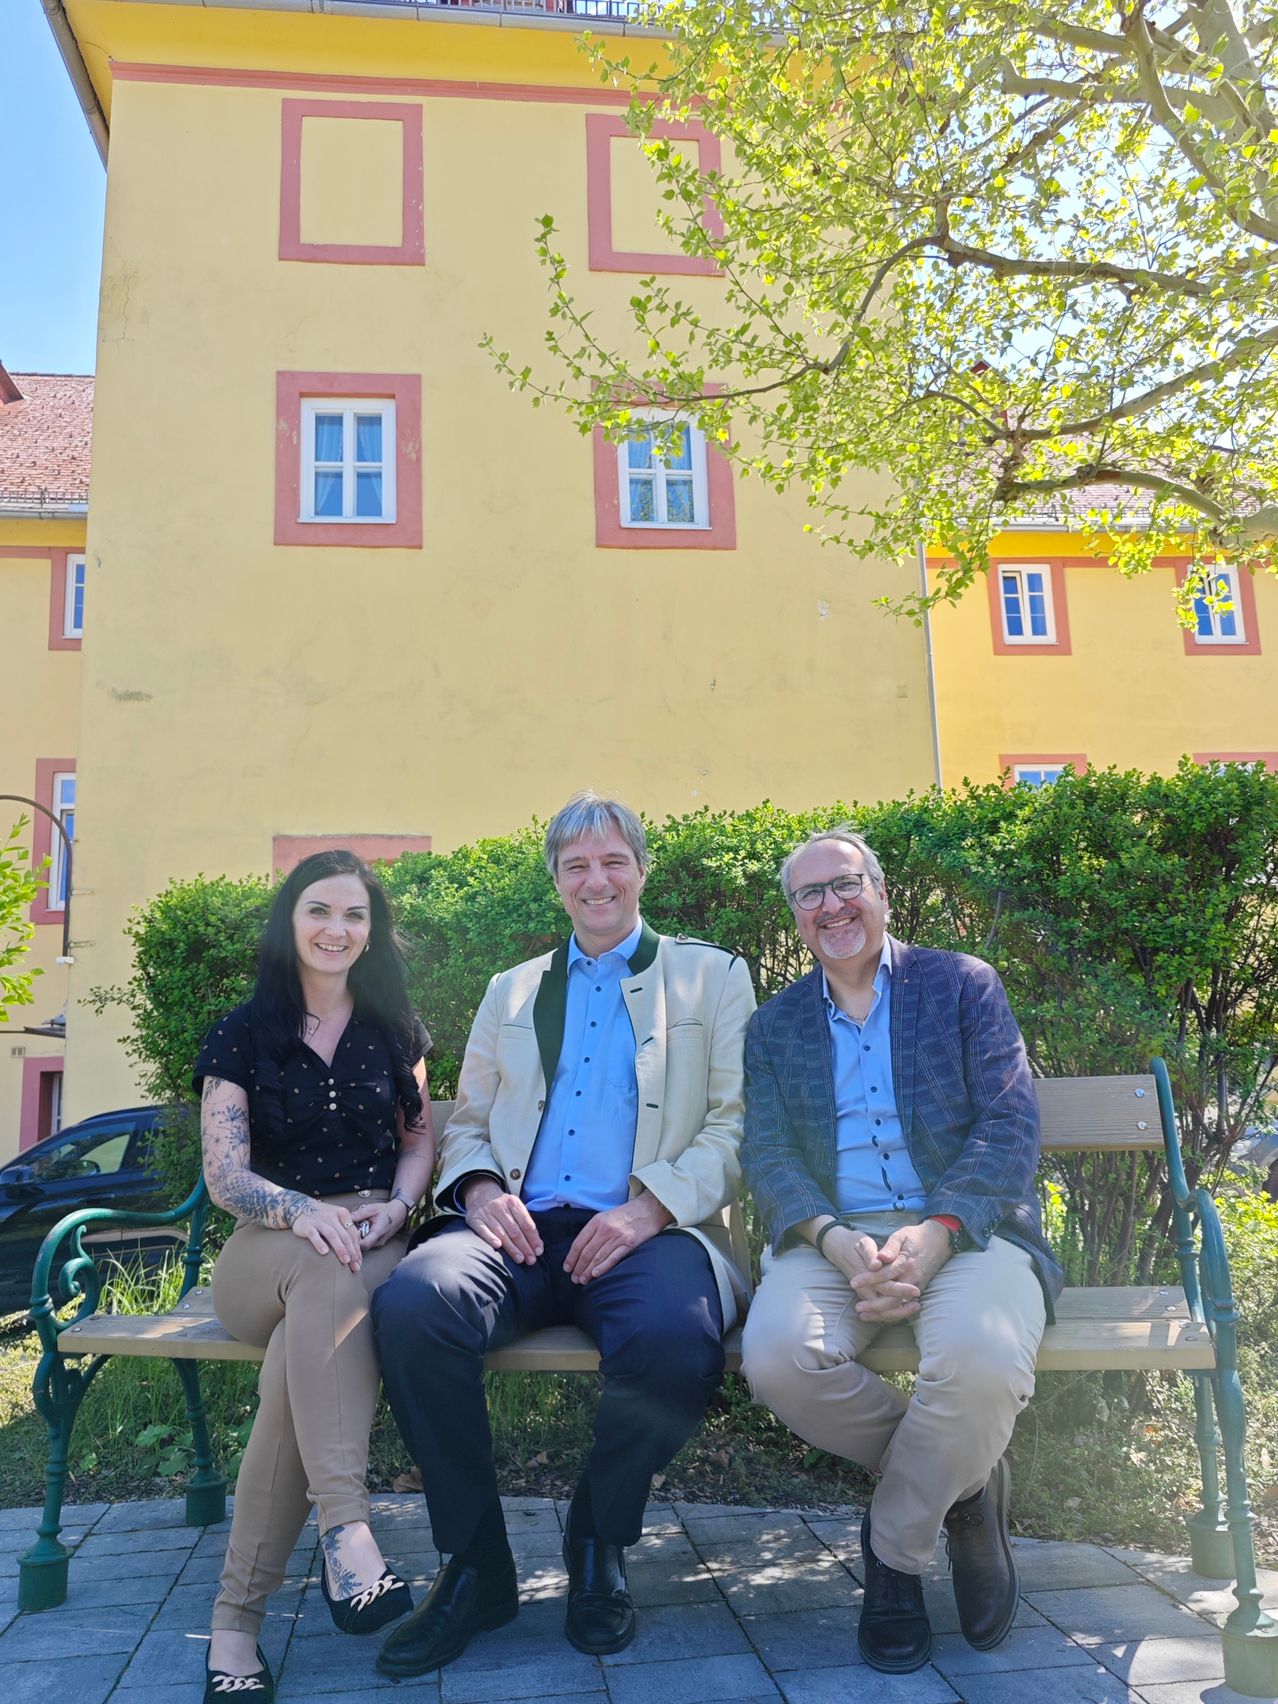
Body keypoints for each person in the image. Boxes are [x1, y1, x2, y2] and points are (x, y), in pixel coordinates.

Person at [372, 790, 755, 1677]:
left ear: (642, 872)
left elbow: (734, 1128)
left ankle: (597, 1539)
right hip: (518, 1228)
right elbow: (467, 1119)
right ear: (555, 881)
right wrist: (473, 1191)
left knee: (672, 1343)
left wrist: (650, 1206)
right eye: (577, 865)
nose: (597, 879)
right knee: (415, 1305)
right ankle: (477, 1567)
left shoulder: (711, 976)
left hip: (648, 1228)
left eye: (614, 860)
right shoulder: (513, 989)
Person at [740, 827, 1063, 1675]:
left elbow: (1007, 1124)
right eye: (808, 896)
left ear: (881, 892)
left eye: (845, 884)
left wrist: (937, 1234)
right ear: (795, 919)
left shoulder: (961, 986)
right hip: (834, 1237)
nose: (830, 906)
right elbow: (768, 1156)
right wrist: (840, 1244)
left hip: (969, 1228)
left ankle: (892, 1562)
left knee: (983, 1361)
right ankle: (964, 1486)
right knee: (777, 1357)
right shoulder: (775, 1026)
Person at [194, 849, 435, 1703]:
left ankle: (235, 1627)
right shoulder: (242, 1030)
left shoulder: (394, 1030)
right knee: (320, 1272)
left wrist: (397, 1210)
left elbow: (417, 1142)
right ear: (290, 923)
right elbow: (226, 1177)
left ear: (372, 932)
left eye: (355, 915)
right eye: (320, 912)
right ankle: (349, 1531)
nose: (338, 929)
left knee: (301, 1363)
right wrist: (303, 1211)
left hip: (370, 1239)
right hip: (267, 1247)